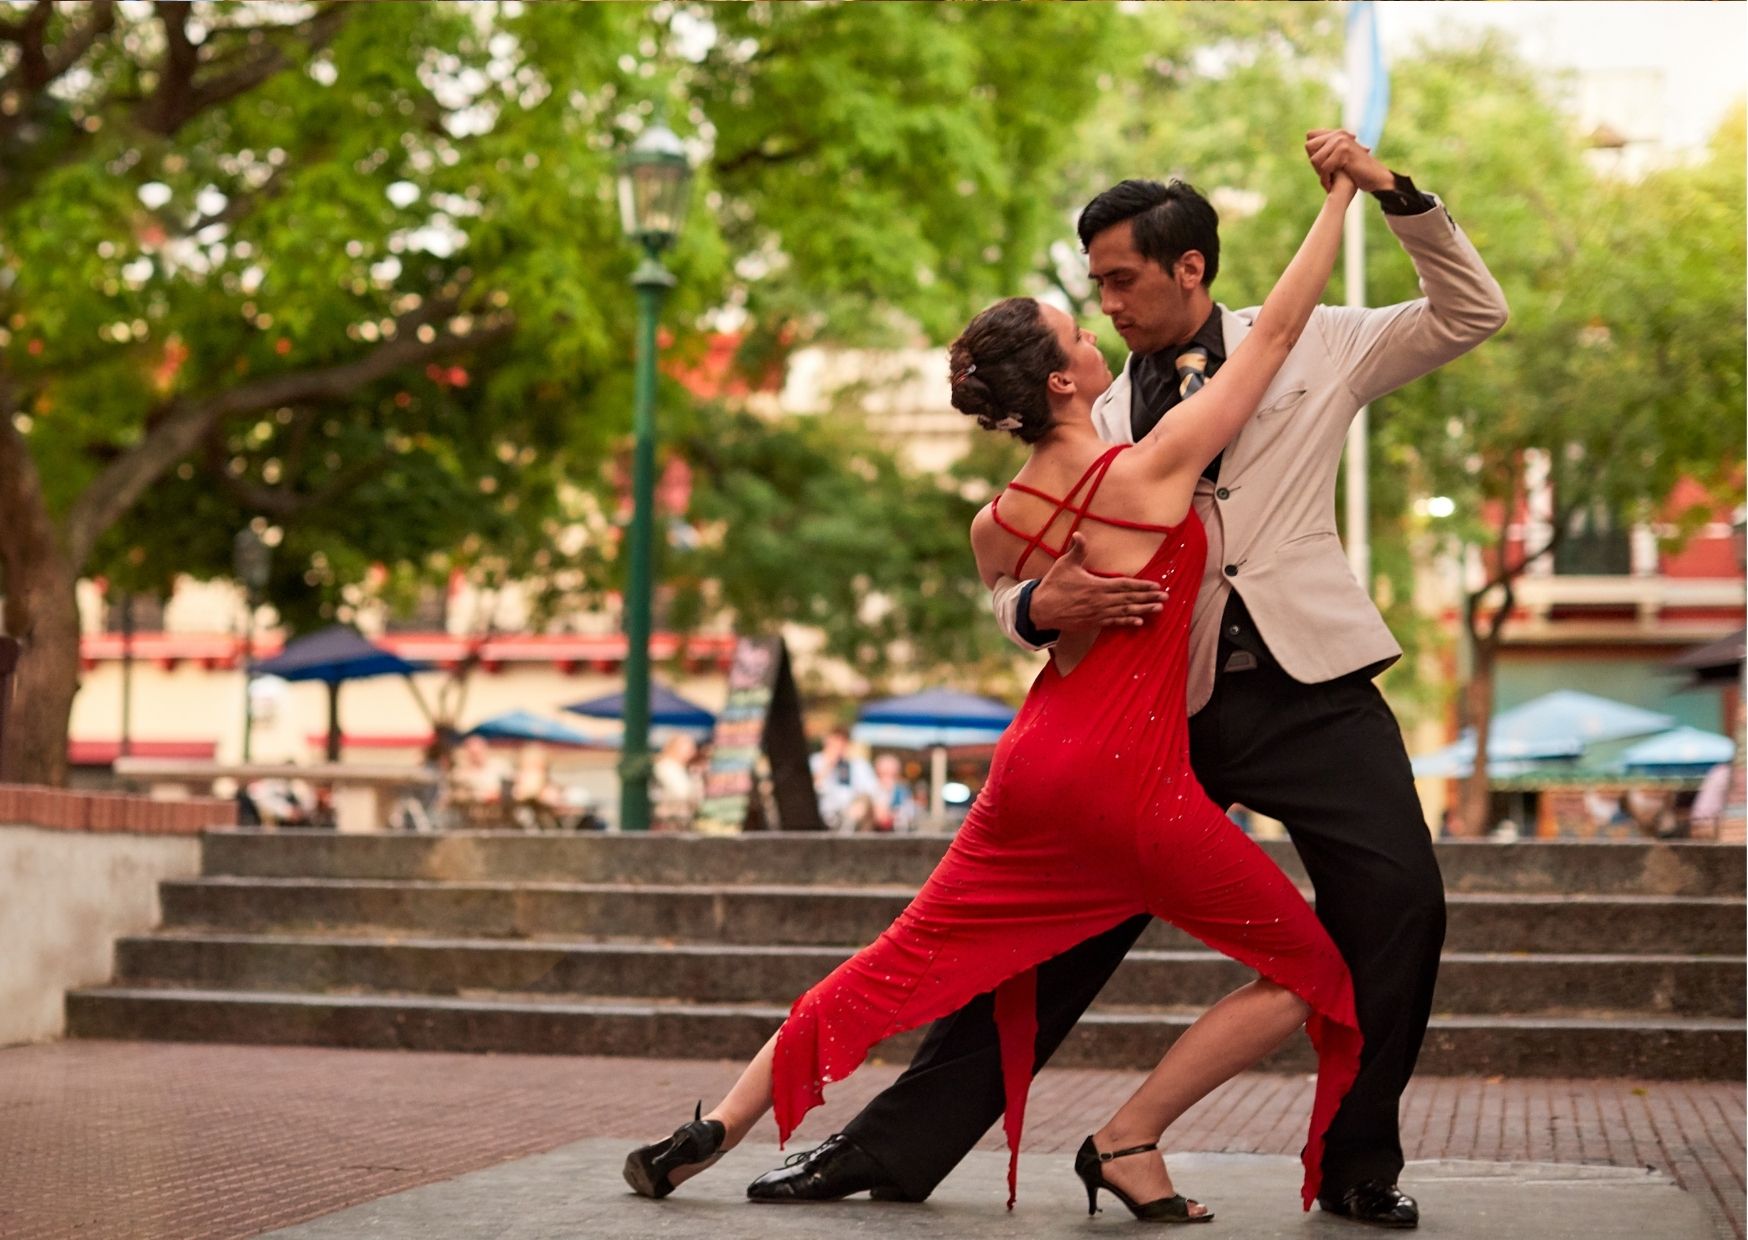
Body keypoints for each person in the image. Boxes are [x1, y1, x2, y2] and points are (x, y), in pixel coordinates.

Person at [751, 131, 1508, 1230]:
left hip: (1313, 685)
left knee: (1398, 906)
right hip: (1152, 710)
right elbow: (1015, 566)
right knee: (1049, 932)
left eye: (1120, 278)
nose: (1103, 301)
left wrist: (1397, 196)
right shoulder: (1093, 406)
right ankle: (887, 1146)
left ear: (1187, 267)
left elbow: (1470, 312)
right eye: (1091, 283)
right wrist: (1027, 609)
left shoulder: (1316, 340)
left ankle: (1356, 1161)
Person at [624, 148, 1366, 1223]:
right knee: (1309, 974)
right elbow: (1284, 328)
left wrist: (1040, 605)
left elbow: (1024, 615)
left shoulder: (995, 524)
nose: (1098, 329)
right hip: (1133, 787)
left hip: (1028, 778)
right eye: (1078, 333)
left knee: (894, 961)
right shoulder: (1150, 470)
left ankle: (714, 1126)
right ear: (1062, 381)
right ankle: (1128, 1138)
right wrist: (1341, 194)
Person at [809, 728, 880, 832]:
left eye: (843, 742)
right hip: (823, 811)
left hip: (851, 812)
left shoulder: (858, 764)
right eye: (835, 742)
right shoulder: (815, 761)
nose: (839, 746)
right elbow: (810, 786)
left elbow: (872, 789)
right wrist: (828, 765)